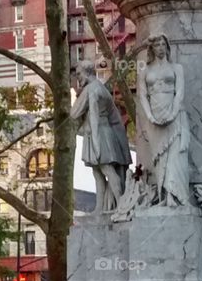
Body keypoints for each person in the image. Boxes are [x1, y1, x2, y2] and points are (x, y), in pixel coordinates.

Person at [71, 60, 132, 214]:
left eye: (78, 74)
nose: (77, 78)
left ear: (87, 72)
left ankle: (121, 206)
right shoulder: (99, 87)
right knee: (98, 173)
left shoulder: (93, 89)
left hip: (100, 133)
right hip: (97, 133)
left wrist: (97, 146)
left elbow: (93, 117)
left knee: (107, 171)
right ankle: (100, 208)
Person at [137, 35, 190, 207]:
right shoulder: (145, 70)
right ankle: (163, 195)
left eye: (162, 44)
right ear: (152, 49)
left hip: (174, 115)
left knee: (175, 157)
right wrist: (150, 116)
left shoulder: (177, 68)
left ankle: (174, 196)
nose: (160, 47)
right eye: (157, 45)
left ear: (167, 47)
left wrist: (173, 113)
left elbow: (180, 93)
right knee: (159, 159)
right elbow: (142, 95)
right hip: (154, 118)